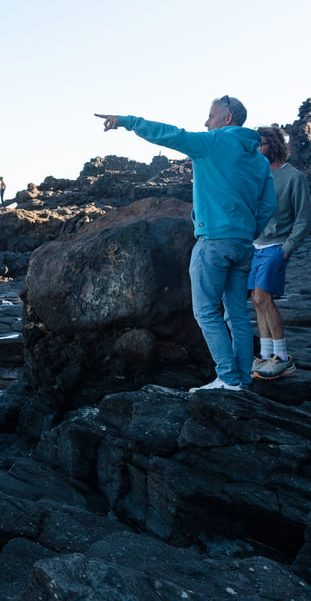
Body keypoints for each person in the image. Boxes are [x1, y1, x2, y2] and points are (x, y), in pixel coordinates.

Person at [95, 96, 274, 392]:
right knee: (238, 315)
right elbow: (268, 204)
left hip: (214, 242)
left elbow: (170, 134)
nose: (206, 122)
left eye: (210, 115)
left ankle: (228, 378)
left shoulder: (213, 143)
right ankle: (242, 379)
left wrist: (127, 122)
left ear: (227, 117)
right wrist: (248, 230)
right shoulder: (259, 159)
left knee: (206, 312)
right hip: (243, 244)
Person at [250, 126, 311, 380]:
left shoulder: (294, 177)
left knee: (264, 298)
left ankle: (283, 358)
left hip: (276, 246)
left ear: (274, 145)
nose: (258, 149)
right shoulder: (257, 175)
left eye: (262, 144)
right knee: (256, 300)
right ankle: (266, 357)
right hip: (254, 245)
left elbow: (305, 218)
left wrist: (287, 248)